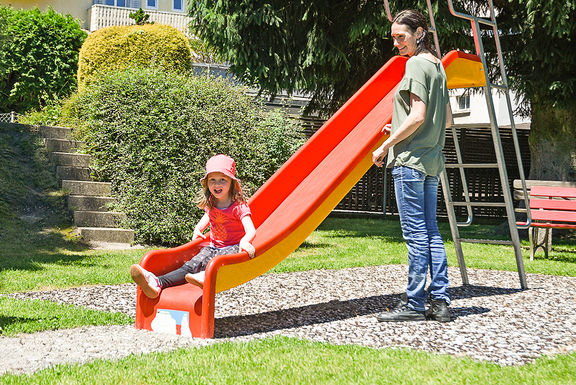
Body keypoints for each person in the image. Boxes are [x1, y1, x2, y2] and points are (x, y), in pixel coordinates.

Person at [371, 9, 452, 322]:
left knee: (416, 235)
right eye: (393, 38)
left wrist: (385, 145)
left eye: (401, 36)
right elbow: (443, 119)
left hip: (410, 161)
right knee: (431, 233)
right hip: (431, 161)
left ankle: (415, 304)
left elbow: (418, 115)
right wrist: (402, 125)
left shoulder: (416, 64)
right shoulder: (436, 65)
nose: (396, 44)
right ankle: (441, 302)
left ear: (419, 32)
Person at [130, 154, 256, 298]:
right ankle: (157, 282)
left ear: (232, 183)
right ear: (207, 183)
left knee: (219, 261)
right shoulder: (212, 202)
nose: (217, 184)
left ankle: (205, 276)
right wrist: (198, 228)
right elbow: (209, 216)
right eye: (212, 180)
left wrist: (245, 241)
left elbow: (251, 230)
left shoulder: (238, 206)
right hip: (213, 247)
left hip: (233, 247)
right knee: (190, 265)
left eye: (223, 180)